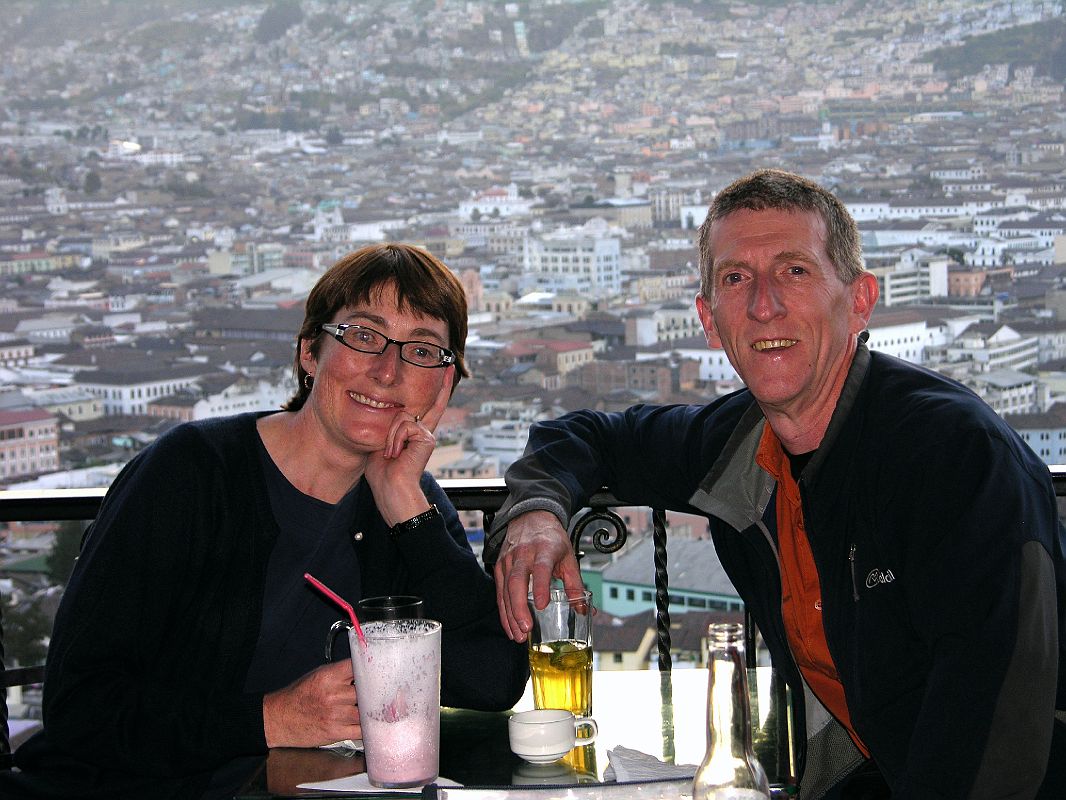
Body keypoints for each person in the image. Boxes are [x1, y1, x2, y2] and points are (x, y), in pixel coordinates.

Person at [487, 169, 1066, 799]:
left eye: (794, 271)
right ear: (710, 320)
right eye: (737, 279)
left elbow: (997, 725)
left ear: (862, 300)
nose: (764, 305)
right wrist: (538, 512)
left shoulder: (952, 457)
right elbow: (588, 436)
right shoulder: (738, 443)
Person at [4, 243, 528, 799]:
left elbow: (493, 680)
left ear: (444, 384)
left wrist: (405, 506)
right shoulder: (190, 474)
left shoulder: (408, 502)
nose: (387, 371)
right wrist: (269, 719)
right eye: (364, 336)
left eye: (423, 352)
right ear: (309, 351)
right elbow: (79, 707)